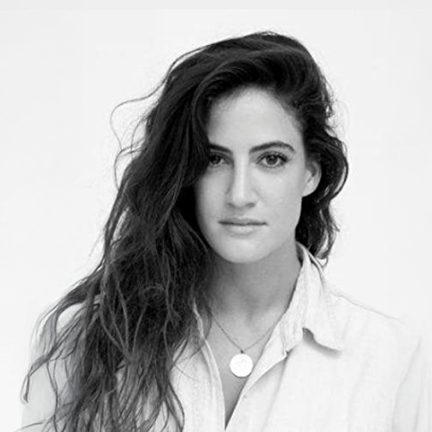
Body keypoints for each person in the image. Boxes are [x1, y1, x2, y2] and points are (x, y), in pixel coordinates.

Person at [21, 31, 431, 432]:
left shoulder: (392, 359)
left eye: (271, 159)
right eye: (214, 160)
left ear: (311, 173)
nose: (239, 195)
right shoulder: (85, 338)